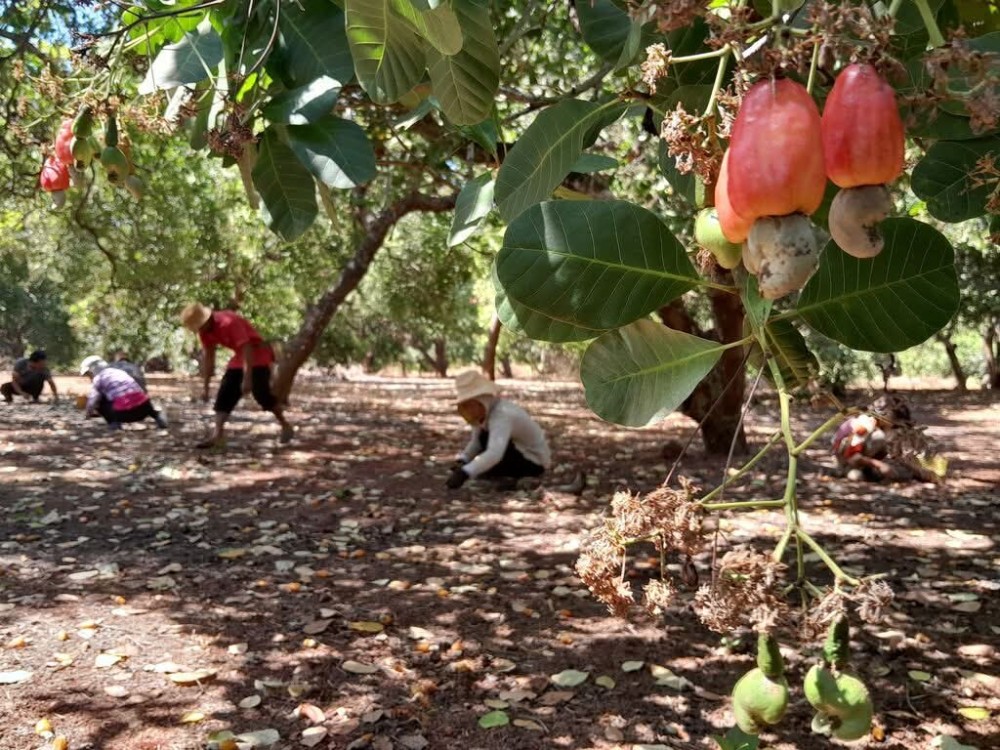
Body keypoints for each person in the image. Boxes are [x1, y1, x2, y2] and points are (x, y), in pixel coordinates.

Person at [179, 302, 293, 448]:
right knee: (225, 394)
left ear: (206, 321)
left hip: (258, 354)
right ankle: (217, 435)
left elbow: (247, 348)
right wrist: (205, 388)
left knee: (261, 395)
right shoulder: (205, 332)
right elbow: (209, 358)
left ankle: (285, 424)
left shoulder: (228, 322)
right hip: (239, 358)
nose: (200, 330)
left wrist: (247, 378)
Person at [445, 370, 550, 490]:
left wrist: (465, 473)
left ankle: (515, 481)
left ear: (481, 401)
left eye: (470, 404)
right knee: (483, 440)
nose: (468, 410)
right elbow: (476, 442)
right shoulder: (485, 414)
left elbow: (494, 453)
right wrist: (463, 460)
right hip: (514, 452)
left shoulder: (502, 415)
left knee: (486, 449)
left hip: (533, 461)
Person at [80, 356, 167, 430]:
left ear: (93, 370)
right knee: (136, 393)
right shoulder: (119, 372)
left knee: (100, 398)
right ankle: (157, 416)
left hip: (123, 414)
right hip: (144, 410)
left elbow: (92, 401)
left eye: (89, 374)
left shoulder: (98, 379)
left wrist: (88, 414)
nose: (89, 377)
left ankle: (114, 423)